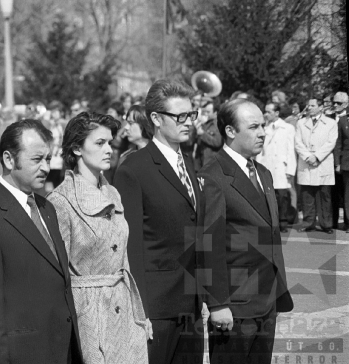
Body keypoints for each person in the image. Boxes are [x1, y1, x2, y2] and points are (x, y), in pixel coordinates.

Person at [0, 119, 83, 364]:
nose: (46, 167)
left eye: (48, 159)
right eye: (36, 160)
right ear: (8, 159)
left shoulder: (47, 208)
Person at [113, 79, 206, 364]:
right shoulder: (134, 168)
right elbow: (131, 246)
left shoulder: (189, 164)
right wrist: (140, 313)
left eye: (192, 115)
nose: (188, 122)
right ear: (155, 118)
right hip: (156, 308)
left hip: (191, 304)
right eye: (180, 117)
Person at [48, 112, 151, 364]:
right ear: (76, 148)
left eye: (110, 143)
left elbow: (122, 255)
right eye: (99, 143)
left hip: (124, 308)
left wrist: (140, 313)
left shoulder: (112, 192)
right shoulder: (61, 201)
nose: (109, 150)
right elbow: (54, 274)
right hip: (89, 315)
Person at [198, 98, 293, 364]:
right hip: (235, 306)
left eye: (263, 125)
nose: (262, 132)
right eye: (253, 127)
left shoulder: (263, 173)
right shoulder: (213, 175)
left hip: (267, 300)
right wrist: (217, 304)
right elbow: (209, 244)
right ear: (230, 131)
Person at [295, 97, 338, 233]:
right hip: (306, 163)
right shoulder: (301, 123)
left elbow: (331, 142)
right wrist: (308, 156)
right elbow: (298, 142)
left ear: (320, 107)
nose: (309, 108)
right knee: (307, 195)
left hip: (322, 162)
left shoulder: (331, 123)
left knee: (324, 196)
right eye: (308, 106)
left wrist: (317, 156)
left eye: (312, 105)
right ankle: (308, 223)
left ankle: (326, 224)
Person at [256, 102, 297, 232]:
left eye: (269, 112)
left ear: (277, 113)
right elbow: (260, 150)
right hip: (267, 165)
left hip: (281, 166)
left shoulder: (287, 128)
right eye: (265, 111)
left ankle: (282, 222)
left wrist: (290, 169)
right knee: (268, 195)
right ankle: (271, 222)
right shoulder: (264, 128)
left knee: (282, 196)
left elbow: (291, 150)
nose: (266, 114)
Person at [332, 92, 348, 228]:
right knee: (334, 192)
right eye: (334, 102)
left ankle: (347, 222)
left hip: (344, 161)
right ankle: (333, 222)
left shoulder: (346, 119)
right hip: (330, 161)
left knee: (346, 192)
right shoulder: (329, 117)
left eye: (339, 103)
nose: (335, 105)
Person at [195, 100, 223, 169]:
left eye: (208, 112)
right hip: (201, 162)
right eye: (205, 111)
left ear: (215, 113)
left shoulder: (218, 125)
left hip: (212, 164)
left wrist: (203, 134)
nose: (206, 114)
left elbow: (217, 142)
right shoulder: (205, 123)